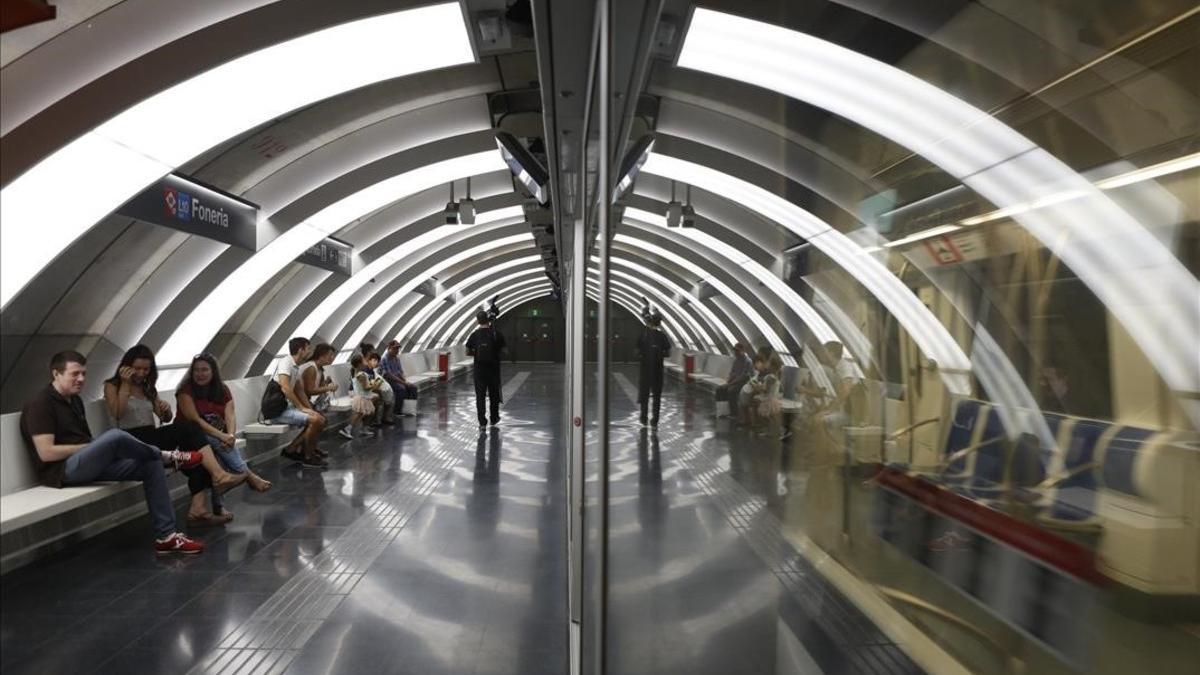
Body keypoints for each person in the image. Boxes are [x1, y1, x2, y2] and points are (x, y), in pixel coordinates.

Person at [20, 350, 205, 553]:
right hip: (63, 472)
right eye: (74, 374)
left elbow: (85, 441)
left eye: (83, 373)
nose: (81, 379)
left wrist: (97, 449)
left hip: (87, 464)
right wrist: (93, 447)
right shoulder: (41, 404)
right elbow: (46, 453)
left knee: (151, 465)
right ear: (56, 374)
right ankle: (167, 456)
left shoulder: (75, 401)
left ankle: (166, 536)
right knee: (115, 435)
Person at [102, 345, 248, 525]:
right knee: (189, 426)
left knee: (197, 455)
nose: (141, 373)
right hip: (129, 440)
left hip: (150, 436)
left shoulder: (147, 387)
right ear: (126, 367)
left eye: (145, 369)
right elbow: (117, 413)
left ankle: (198, 510)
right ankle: (219, 475)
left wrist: (166, 411)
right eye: (137, 368)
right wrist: (125, 384)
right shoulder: (112, 385)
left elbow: (165, 418)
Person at [176, 353, 273, 494]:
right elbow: (195, 420)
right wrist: (223, 436)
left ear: (213, 371)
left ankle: (220, 503)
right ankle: (250, 476)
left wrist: (231, 435)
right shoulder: (185, 391)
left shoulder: (222, 389)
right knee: (216, 442)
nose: (200, 374)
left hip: (216, 436)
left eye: (204, 370)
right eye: (196, 370)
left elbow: (230, 414)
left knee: (220, 448)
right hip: (190, 436)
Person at [271, 337, 328, 468]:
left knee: (320, 418)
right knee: (316, 421)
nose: (309, 351)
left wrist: (309, 409)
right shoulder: (286, 362)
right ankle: (308, 456)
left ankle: (292, 449)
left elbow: (299, 390)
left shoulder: (295, 366)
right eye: (307, 348)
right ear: (300, 350)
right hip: (276, 411)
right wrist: (301, 407)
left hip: (285, 407)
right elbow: (285, 388)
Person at [466, 310, 506, 428]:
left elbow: (467, 351)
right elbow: (505, 351)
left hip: (479, 371)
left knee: (480, 396)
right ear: (488, 320)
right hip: (493, 370)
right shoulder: (496, 334)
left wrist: (477, 353)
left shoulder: (474, 335)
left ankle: (482, 422)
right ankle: (494, 418)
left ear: (478, 321)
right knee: (494, 395)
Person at [636, 311, 672, 427]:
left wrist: (643, 355)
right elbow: (668, 352)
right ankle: (654, 419)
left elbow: (636, 352)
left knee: (645, 394)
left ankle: (644, 417)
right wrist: (659, 353)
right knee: (656, 395)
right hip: (657, 370)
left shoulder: (643, 335)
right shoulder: (661, 336)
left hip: (646, 370)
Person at [340, 354, 378, 439]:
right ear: (360, 364)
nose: (365, 362)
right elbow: (366, 387)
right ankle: (348, 428)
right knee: (358, 414)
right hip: (362, 397)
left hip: (364, 396)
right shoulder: (361, 374)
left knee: (366, 413)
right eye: (364, 361)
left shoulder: (358, 373)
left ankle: (362, 428)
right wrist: (375, 384)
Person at [378, 340, 419, 415]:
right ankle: (397, 411)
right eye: (394, 349)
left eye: (397, 349)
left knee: (413, 387)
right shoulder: (384, 359)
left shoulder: (396, 359)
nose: (396, 351)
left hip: (396, 380)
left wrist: (405, 381)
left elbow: (400, 372)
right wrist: (403, 383)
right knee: (401, 389)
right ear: (389, 348)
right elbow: (389, 375)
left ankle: (409, 409)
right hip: (387, 381)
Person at [298, 343, 339, 414]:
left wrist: (326, 382)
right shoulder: (311, 368)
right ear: (321, 356)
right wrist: (329, 388)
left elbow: (319, 388)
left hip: (305, 400)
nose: (332, 358)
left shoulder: (320, 369)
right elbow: (310, 390)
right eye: (330, 355)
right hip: (298, 402)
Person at [716, 343, 753, 418]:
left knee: (731, 391)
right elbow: (732, 373)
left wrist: (730, 384)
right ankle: (723, 411)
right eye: (735, 350)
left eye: (737, 351)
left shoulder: (748, 362)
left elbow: (743, 377)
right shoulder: (736, 360)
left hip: (744, 384)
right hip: (735, 382)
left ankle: (734, 413)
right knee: (720, 389)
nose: (735, 352)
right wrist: (728, 381)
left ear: (743, 351)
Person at [364, 352, 395, 425]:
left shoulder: (371, 370)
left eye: (377, 361)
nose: (376, 363)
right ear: (369, 360)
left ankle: (381, 419)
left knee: (385, 394)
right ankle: (377, 420)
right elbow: (368, 385)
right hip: (363, 391)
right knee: (380, 396)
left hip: (368, 389)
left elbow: (373, 383)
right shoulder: (366, 370)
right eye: (374, 360)